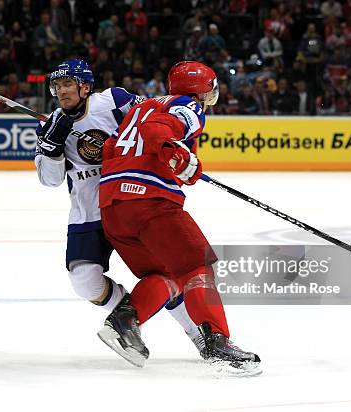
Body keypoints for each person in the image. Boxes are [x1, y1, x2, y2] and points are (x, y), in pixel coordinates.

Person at [33, 59, 206, 356]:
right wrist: (51, 148)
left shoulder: (114, 101)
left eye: (67, 83)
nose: (61, 90)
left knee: (162, 275)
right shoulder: (48, 125)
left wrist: (169, 150)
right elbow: (50, 181)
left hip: (129, 200)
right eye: (57, 85)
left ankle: (196, 333)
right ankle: (130, 315)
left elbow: (148, 118)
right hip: (88, 213)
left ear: (85, 86)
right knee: (84, 282)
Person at [97, 61, 262, 373]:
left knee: (169, 275)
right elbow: (158, 132)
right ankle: (218, 341)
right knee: (197, 265)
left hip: (113, 208)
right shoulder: (187, 106)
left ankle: (124, 322)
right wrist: (177, 153)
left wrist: (183, 162)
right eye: (209, 91)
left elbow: (110, 148)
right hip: (150, 204)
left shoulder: (142, 106)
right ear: (200, 92)